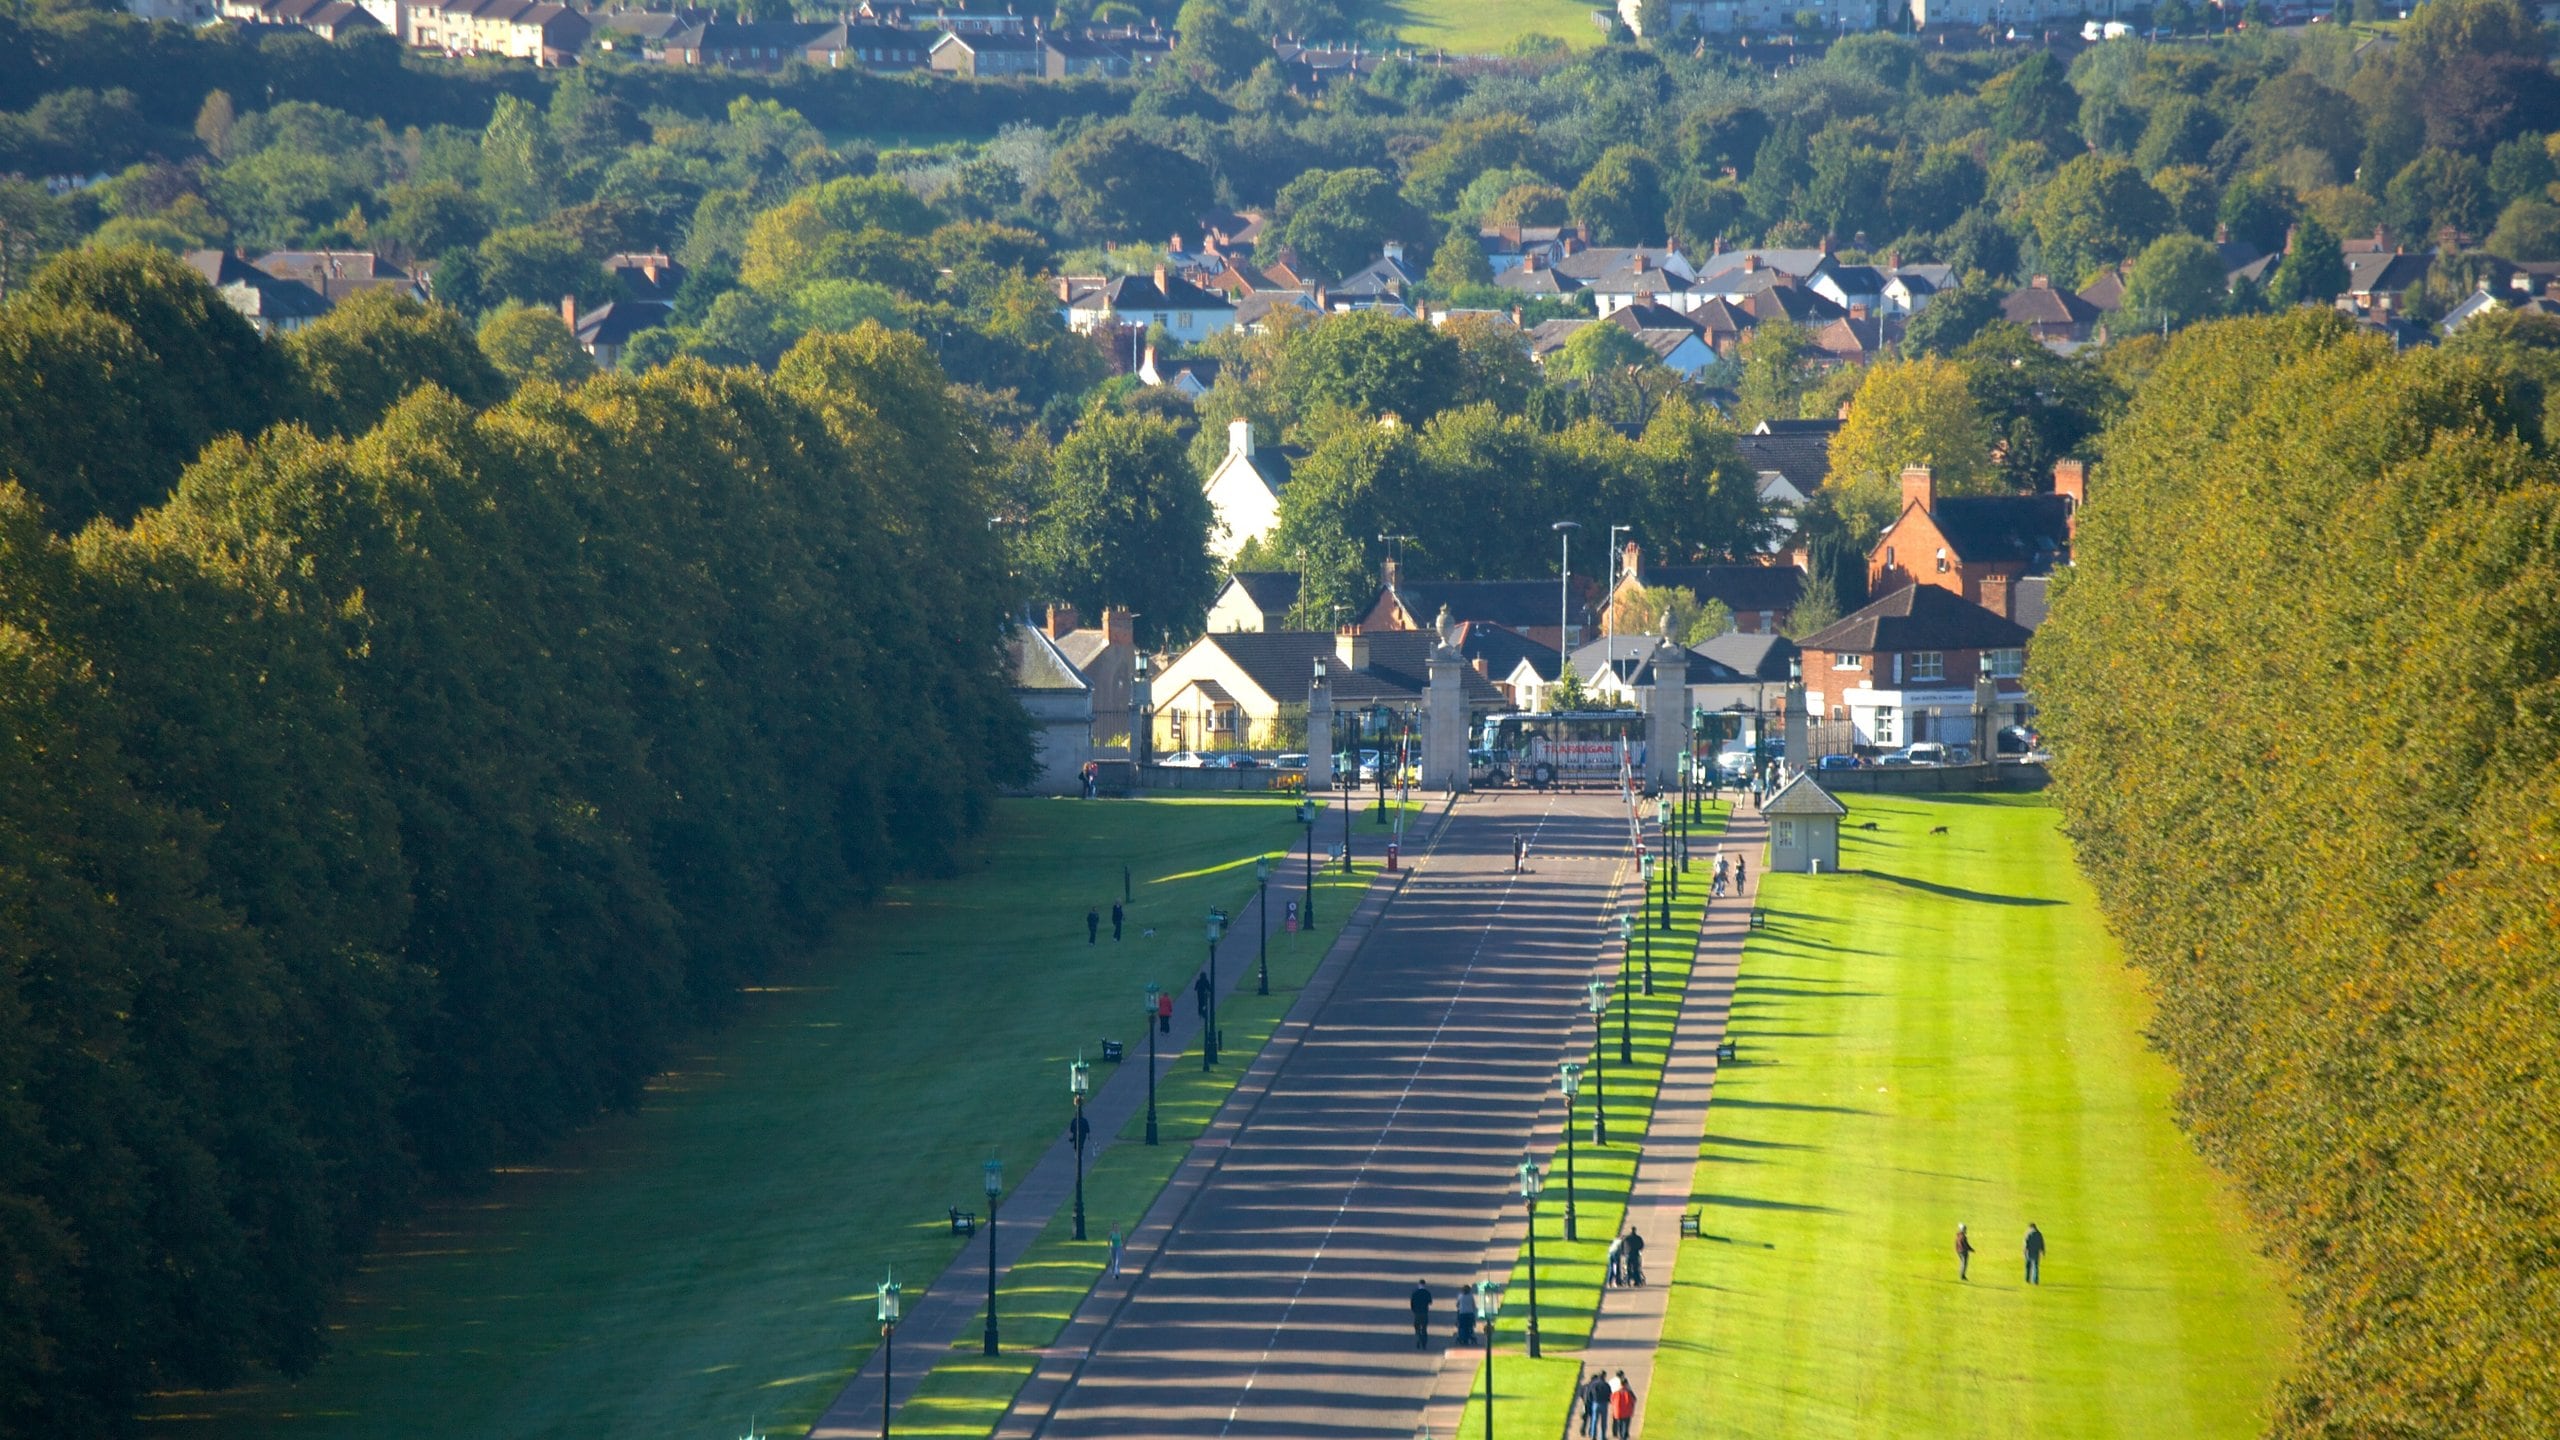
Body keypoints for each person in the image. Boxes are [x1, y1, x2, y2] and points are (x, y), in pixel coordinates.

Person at [1580, 1370, 1611, 1440]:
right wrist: (1608, 1400)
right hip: (1604, 1404)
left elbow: (1589, 1393)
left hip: (1595, 1403)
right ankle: (1602, 1436)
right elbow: (1609, 1394)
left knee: (1594, 1420)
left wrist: (1591, 1400)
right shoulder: (1606, 1385)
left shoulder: (1594, 1384)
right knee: (1603, 1421)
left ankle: (1593, 1435)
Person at [1609, 1371, 1636, 1439]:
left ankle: (1619, 1435)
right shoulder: (1628, 1392)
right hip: (1627, 1411)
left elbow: (1611, 1399)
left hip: (1618, 1410)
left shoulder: (1616, 1392)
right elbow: (1634, 1399)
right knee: (1625, 1424)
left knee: (1619, 1424)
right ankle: (1624, 1436)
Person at [1408, 1280, 1434, 1349]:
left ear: (1418, 1284)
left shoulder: (1415, 1293)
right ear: (1424, 1284)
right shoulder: (1427, 1292)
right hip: (1424, 1312)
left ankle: (1418, 1339)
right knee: (1424, 1328)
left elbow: (1412, 1303)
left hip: (1417, 1313)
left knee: (1417, 1327)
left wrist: (1414, 1310)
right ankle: (1424, 1343)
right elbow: (1430, 1302)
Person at [1454, 1282, 1477, 1347]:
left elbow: (1457, 1305)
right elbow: (1473, 1305)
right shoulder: (1471, 1296)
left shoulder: (1460, 1296)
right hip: (1470, 1313)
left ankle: (1462, 1338)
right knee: (1470, 1326)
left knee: (1462, 1327)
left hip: (1462, 1313)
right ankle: (1470, 1336)